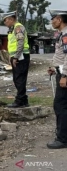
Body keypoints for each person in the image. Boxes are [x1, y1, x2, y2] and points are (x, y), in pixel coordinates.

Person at [46, 10, 67, 149]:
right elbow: (61, 56)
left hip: (65, 75)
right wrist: (55, 68)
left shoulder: (65, 35)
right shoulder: (62, 34)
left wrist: (64, 75)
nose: (52, 22)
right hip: (61, 71)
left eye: (53, 19)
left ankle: (63, 139)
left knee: (60, 105)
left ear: (59, 19)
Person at [1, 11, 30, 108]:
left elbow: (20, 42)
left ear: (11, 19)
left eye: (5, 20)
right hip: (17, 56)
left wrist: (16, 57)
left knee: (19, 79)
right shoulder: (12, 29)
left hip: (20, 56)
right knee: (18, 79)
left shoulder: (18, 27)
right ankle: (24, 100)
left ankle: (20, 101)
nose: (5, 23)